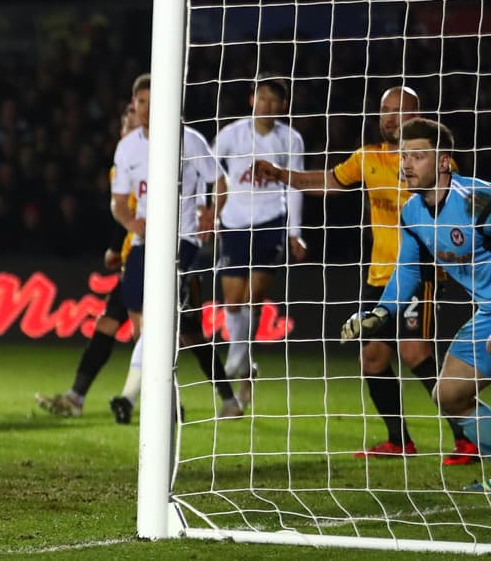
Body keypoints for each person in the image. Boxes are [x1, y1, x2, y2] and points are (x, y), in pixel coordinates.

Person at [255, 87, 476, 463]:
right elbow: (327, 181)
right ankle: (398, 441)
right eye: (385, 110)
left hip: (418, 273)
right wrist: (281, 174)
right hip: (378, 277)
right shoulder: (368, 158)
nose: (390, 118)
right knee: (372, 357)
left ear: (417, 116)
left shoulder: (435, 164)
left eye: (399, 111)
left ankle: (468, 437)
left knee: (414, 351)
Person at [341, 118, 491, 488]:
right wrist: (380, 314)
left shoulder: (478, 201)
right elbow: (407, 270)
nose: (407, 164)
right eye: (405, 156)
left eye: (418, 156)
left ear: (443, 162)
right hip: (486, 313)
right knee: (450, 396)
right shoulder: (413, 211)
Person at [107, 74, 240, 421]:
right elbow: (118, 202)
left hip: (183, 241)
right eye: (142, 102)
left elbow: (219, 179)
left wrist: (213, 213)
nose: (148, 109)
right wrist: (131, 222)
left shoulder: (190, 141)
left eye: (155, 101)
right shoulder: (128, 147)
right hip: (143, 244)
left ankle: (129, 398)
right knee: (156, 331)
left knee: (166, 326)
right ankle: (169, 401)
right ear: (134, 105)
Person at [36, 103, 140, 419]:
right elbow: (124, 213)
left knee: (153, 336)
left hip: (154, 256)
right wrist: (116, 247)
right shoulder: (125, 160)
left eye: (130, 118)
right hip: (133, 256)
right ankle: (77, 397)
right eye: (124, 118)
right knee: (111, 325)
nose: (124, 123)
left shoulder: (150, 158)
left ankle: (213, 396)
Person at [213, 74, 307, 408]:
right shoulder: (230, 135)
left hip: (270, 222)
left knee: (254, 296)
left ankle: (234, 362)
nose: (266, 104)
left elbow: (295, 184)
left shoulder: (290, 139)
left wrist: (296, 232)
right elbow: (216, 178)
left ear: (282, 105)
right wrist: (212, 216)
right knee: (233, 302)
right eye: (261, 97)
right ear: (252, 99)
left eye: (273, 100)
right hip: (234, 224)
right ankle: (245, 369)